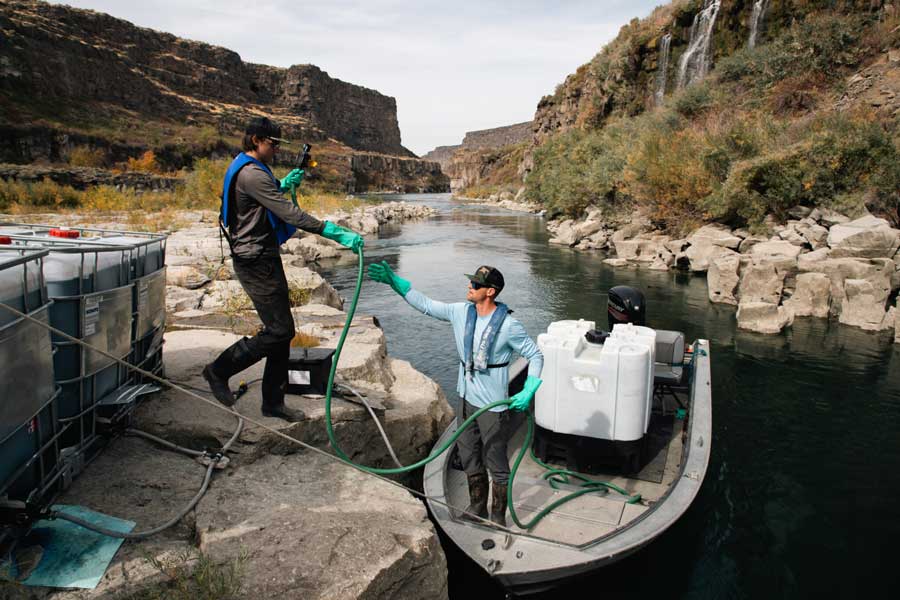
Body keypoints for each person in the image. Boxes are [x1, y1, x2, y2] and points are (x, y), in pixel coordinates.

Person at [203, 116, 363, 422]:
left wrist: (281, 184)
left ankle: (273, 403)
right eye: (272, 144)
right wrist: (335, 232)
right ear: (255, 141)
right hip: (255, 260)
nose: (276, 150)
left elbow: (262, 198)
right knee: (279, 331)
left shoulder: (248, 168)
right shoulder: (252, 174)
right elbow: (290, 213)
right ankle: (218, 371)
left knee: (280, 331)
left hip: (262, 255)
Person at [368, 262, 543, 527]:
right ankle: (477, 507)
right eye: (471, 282)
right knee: (469, 454)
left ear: (491, 292)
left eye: (475, 284)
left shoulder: (510, 326)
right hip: (465, 400)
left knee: (495, 461)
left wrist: (529, 389)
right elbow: (426, 304)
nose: (469, 287)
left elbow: (535, 355)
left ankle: (497, 516)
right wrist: (396, 283)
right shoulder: (461, 312)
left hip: (492, 407)